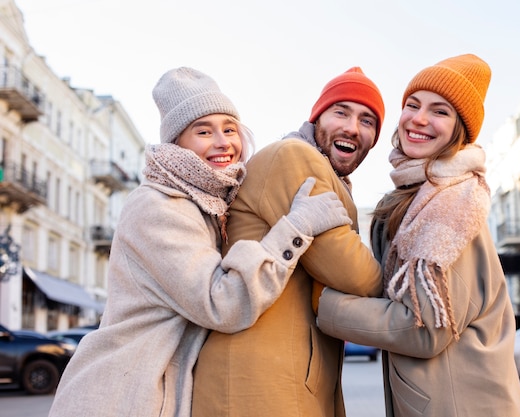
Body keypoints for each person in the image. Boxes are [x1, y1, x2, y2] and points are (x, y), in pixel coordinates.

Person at [47, 67, 352, 417]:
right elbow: (222, 302)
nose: (223, 143)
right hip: (125, 394)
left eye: (229, 129)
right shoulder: (158, 207)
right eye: (203, 131)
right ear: (177, 142)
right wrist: (297, 228)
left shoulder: (208, 203)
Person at [317, 54, 520, 417]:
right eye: (412, 104)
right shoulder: (412, 198)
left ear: (460, 131)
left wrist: (324, 305)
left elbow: (425, 330)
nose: (419, 118)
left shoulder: (453, 207)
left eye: (440, 111)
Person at [192, 67, 386, 417]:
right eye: (341, 112)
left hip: (283, 378)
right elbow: (350, 270)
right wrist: (400, 283)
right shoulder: (295, 156)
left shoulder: (328, 175)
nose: (353, 127)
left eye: (368, 120)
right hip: (259, 384)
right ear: (316, 118)